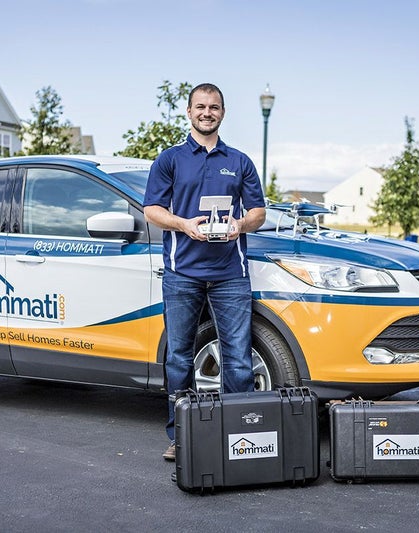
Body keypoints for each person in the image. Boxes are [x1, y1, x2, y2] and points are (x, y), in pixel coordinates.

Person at [143, 83, 267, 462]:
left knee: (238, 359)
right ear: (189, 111)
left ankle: (240, 435)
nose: (207, 112)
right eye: (200, 106)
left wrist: (240, 225)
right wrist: (183, 224)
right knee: (179, 357)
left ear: (223, 113)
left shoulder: (240, 161)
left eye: (214, 107)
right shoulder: (170, 160)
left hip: (231, 273)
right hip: (182, 273)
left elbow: (258, 212)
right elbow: (152, 210)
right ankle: (181, 436)